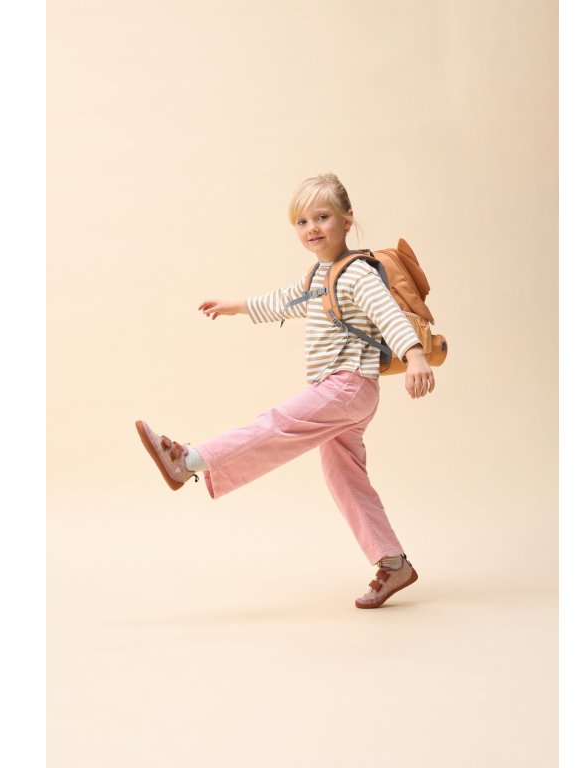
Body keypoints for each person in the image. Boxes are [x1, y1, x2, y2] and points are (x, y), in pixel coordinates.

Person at [136, 172, 435, 609]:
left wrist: (415, 356)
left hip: (348, 383)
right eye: (302, 221)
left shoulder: (357, 273)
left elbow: (387, 313)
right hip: (343, 392)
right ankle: (393, 563)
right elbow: (284, 301)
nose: (312, 227)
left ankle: (187, 460)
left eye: (323, 217)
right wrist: (237, 306)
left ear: (347, 219)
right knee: (344, 476)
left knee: (278, 423)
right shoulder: (319, 274)